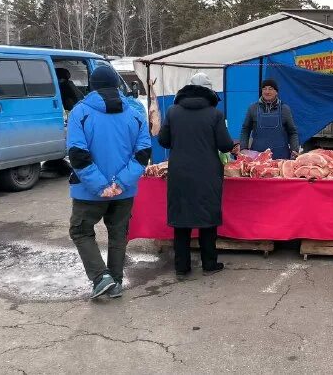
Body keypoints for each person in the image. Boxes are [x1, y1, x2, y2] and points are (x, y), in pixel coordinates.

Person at [67, 65, 151, 299]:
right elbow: (143, 153)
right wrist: (121, 183)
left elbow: (77, 153)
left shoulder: (80, 112)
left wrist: (101, 186)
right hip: (124, 191)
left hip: (88, 192)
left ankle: (101, 278)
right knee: (117, 233)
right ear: (117, 84)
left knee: (81, 231)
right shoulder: (135, 112)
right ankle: (115, 280)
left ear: (92, 86)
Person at [158, 73, 236, 279]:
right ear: (209, 92)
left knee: (181, 220)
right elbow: (225, 145)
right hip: (207, 173)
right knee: (207, 218)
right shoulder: (214, 114)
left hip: (179, 173)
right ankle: (209, 263)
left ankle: (182, 267)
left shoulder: (173, 111)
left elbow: (163, 141)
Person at [239, 79, 300, 159]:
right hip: (257, 157)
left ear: (276, 92)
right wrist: (243, 148)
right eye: (264, 88)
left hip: (281, 157)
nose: (267, 92)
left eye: (271, 89)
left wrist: (294, 149)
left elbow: (292, 132)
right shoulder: (252, 108)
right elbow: (245, 130)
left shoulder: (285, 109)